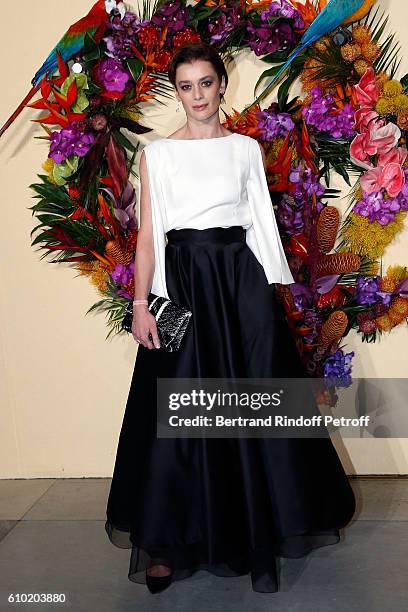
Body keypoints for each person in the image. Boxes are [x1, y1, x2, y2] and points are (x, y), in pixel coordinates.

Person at [105, 41, 356, 594]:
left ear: (222, 84)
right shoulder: (158, 154)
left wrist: (270, 300)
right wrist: (142, 302)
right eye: (186, 86)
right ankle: (168, 542)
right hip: (187, 285)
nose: (197, 95)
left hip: (241, 286)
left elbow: (260, 223)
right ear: (179, 93)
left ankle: (257, 531)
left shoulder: (245, 149)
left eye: (206, 83)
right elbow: (149, 235)